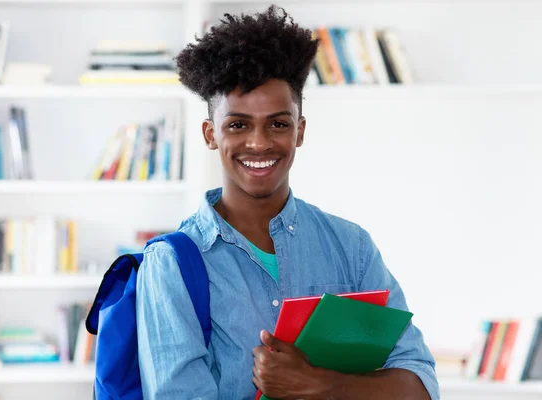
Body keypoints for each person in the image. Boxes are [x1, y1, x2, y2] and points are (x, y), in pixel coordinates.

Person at [136, 5, 439, 399]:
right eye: (238, 124)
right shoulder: (171, 265)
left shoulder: (352, 248)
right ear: (211, 134)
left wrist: (317, 384)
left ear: (300, 131)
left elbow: (419, 386)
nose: (259, 142)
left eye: (278, 124)